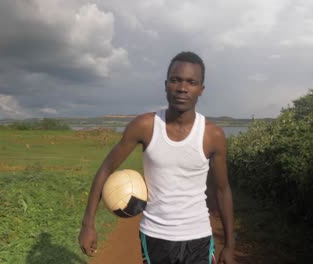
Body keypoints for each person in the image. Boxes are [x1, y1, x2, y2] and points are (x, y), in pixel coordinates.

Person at [78, 51, 235, 263]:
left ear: (201, 89)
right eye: (175, 80)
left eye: (191, 82)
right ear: (165, 84)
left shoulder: (212, 135)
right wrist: (88, 225)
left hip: (198, 236)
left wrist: (230, 245)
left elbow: (222, 189)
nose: (182, 88)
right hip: (155, 236)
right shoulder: (144, 126)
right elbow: (106, 169)